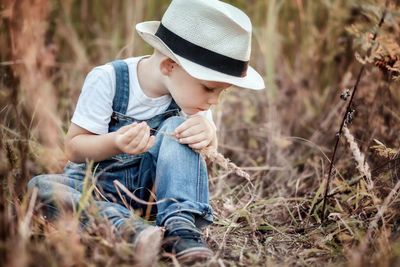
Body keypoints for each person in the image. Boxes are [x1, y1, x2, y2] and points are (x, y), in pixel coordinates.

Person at [28, 0, 265, 263]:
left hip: (152, 196)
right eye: (209, 89)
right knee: (39, 188)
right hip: (94, 188)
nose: (214, 101)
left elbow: (199, 157)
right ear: (169, 66)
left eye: (222, 92)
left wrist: (209, 132)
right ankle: (134, 232)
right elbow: (73, 148)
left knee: (178, 127)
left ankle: (180, 227)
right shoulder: (108, 79)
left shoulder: (191, 100)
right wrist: (115, 142)